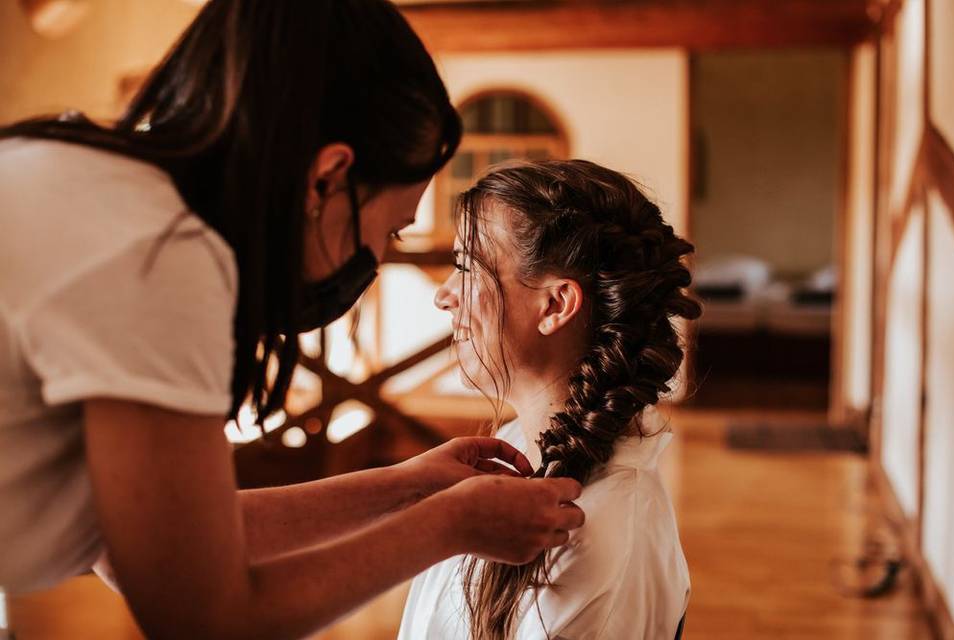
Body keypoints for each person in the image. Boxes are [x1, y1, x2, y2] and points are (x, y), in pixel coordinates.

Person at [0, 2, 584, 637]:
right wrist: (449, 526)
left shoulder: (68, 171)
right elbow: (205, 617)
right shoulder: (157, 256)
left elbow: (151, 542)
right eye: (388, 228)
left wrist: (405, 489)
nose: (382, 256)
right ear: (327, 178)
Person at [399, 160, 701, 639]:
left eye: (466, 267)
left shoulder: (603, 543)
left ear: (556, 305)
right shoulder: (519, 442)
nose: (444, 295)